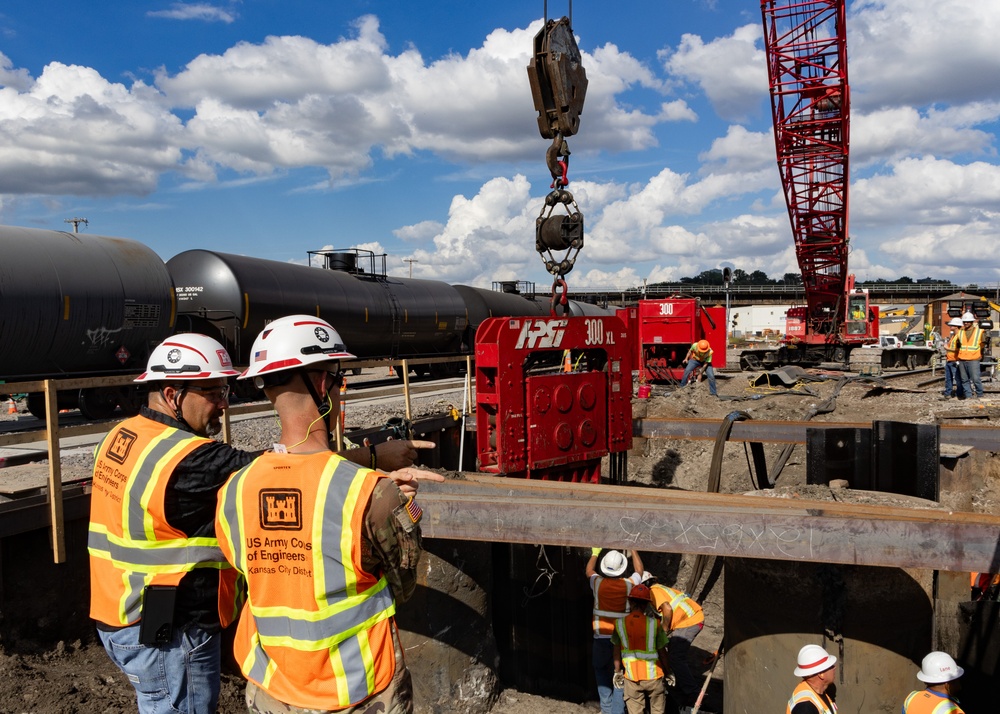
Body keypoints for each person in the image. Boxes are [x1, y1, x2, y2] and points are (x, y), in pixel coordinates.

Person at [214, 314, 443, 713]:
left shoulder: (234, 491)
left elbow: (247, 573)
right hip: (357, 692)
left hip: (271, 688)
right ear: (322, 384)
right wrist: (396, 502)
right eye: (338, 380)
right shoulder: (372, 494)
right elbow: (403, 587)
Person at [88, 333, 255, 714]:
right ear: (172, 394)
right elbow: (283, 475)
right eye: (213, 393)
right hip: (170, 632)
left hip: (119, 614)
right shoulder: (190, 458)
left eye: (225, 390)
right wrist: (376, 457)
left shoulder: (121, 435)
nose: (224, 405)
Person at [586, 548, 645, 714]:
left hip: (601, 639)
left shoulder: (597, 583)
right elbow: (639, 570)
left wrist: (595, 553)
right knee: (619, 676)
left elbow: (589, 571)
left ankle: (606, 709)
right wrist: (633, 549)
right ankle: (617, 711)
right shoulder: (629, 585)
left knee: (601, 673)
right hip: (622, 641)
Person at [641, 572, 704, 711]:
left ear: (644, 585)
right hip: (690, 619)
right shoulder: (660, 590)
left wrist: (663, 631)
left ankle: (693, 693)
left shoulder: (653, 592)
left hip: (690, 621)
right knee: (672, 651)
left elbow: (667, 609)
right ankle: (679, 683)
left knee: (676, 657)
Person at [611, 584, 670, 714]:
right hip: (654, 677)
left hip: (632, 678)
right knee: (658, 711)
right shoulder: (655, 624)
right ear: (646, 605)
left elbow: (616, 651)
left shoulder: (619, 624)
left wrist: (617, 671)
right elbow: (662, 653)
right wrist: (669, 671)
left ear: (630, 602)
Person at [787, 644, 837, 714]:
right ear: (821, 674)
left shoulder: (819, 693)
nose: (834, 668)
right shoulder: (805, 707)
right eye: (830, 666)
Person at [955, 312, 985, 400]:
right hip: (962, 359)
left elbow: (982, 345)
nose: (966, 323)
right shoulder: (960, 332)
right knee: (964, 379)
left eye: (967, 321)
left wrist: (980, 355)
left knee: (976, 379)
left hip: (974, 358)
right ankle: (968, 396)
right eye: (964, 322)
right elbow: (958, 345)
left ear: (972, 322)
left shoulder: (979, 332)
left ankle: (980, 394)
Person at [942, 318, 965, 399]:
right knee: (948, 378)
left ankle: (960, 394)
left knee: (958, 379)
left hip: (955, 361)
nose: (950, 326)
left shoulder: (959, 336)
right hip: (950, 360)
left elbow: (959, 349)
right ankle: (948, 393)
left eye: (951, 325)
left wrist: (947, 349)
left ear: (956, 326)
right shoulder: (953, 336)